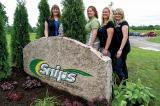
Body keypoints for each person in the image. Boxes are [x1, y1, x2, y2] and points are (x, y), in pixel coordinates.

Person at [112, 8, 131, 81]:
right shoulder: (116, 23)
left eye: (119, 14)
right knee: (123, 65)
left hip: (123, 48)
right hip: (117, 48)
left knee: (118, 67)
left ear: (122, 15)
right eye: (116, 14)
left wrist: (120, 50)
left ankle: (123, 82)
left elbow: (125, 37)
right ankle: (125, 80)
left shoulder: (124, 23)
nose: (117, 15)